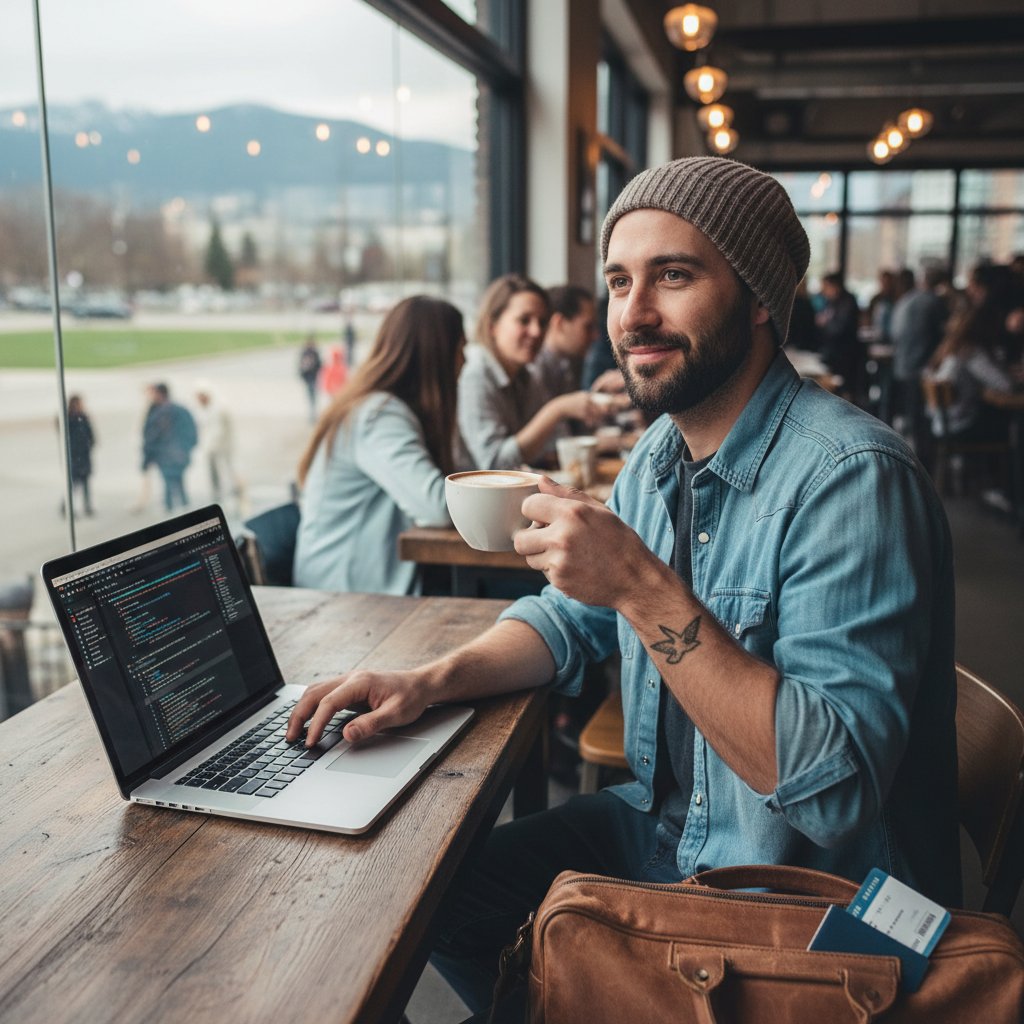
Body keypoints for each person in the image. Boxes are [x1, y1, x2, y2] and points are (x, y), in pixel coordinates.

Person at [287, 157, 961, 1018]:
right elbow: (571, 621)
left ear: (759, 297)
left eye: (673, 276)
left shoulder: (852, 479)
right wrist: (429, 682)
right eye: (617, 281)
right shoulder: (659, 453)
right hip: (665, 828)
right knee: (429, 899)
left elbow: (829, 794)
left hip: (803, 900)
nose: (633, 313)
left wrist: (641, 586)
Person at [292, 295, 466, 596]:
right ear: (437, 354)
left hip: (363, 593)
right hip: (342, 600)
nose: (466, 360)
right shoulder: (378, 415)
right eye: (461, 348)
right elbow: (437, 506)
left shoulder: (391, 410)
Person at [457, 274, 603, 470]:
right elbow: (494, 463)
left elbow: (554, 443)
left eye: (542, 323)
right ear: (493, 326)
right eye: (524, 320)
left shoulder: (524, 374)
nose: (536, 332)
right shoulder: (476, 375)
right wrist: (556, 410)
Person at [925, 306, 1012, 442]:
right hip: (962, 426)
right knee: (1009, 423)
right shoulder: (971, 353)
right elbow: (1006, 385)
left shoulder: (944, 352)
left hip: (940, 425)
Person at [890, 266, 947, 453]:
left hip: (902, 364)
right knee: (920, 417)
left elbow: (893, 333)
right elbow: (944, 336)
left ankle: (909, 450)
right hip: (921, 367)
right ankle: (923, 455)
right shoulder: (934, 302)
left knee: (911, 414)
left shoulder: (906, 300)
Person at [141, 382, 198, 512]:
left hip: (169, 456)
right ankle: (182, 509)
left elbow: (151, 437)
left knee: (171, 485)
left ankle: (175, 511)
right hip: (173, 456)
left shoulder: (161, 413)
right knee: (176, 484)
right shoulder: (174, 410)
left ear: (159, 394)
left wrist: (147, 459)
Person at [194, 380, 243, 507]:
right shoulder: (201, 409)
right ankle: (217, 493)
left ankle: (235, 491)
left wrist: (211, 445)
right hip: (210, 447)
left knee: (228, 469)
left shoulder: (219, 408)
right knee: (213, 471)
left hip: (223, 445)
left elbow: (220, 430)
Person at [815, 271, 860, 392]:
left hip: (844, 354)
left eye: (825, 287)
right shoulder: (831, 301)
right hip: (832, 352)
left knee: (843, 388)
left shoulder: (847, 301)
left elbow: (840, 328)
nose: (823, 291)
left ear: (834, 285)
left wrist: (825, 323)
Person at [65, 394, 95, 516]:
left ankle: (87, 507)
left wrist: (91, 443)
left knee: (86, 483)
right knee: (74, 484)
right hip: (74, 456)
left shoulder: (83, 417)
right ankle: (66, 507)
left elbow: (90, 433)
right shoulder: (69, 419)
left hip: (84, 455)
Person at [298, 335, 322, 422]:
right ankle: (312, 414)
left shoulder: (314, 353)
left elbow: (320, 365)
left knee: (312, 397)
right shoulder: (306, 353)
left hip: (312, 377)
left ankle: (312, 414)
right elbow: (301, 366)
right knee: (311, 397)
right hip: (309, 378)